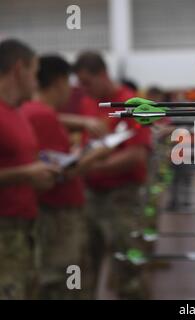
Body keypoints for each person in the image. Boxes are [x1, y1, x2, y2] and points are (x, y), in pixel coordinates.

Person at [21, 55, 107, 299]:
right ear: (59, 81)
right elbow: (60, 173)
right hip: (58, 214)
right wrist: (97, 154)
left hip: (52, 213)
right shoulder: (42, 114)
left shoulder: (36, 112)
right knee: (65, 281)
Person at [74, 51, 151, 299]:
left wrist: (93, 167)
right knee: (86, 260)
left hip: (122, 196)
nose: (84, 89)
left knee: (127, 260)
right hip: (91, 194)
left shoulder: (132, 104)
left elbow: (136, 155)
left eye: (87, 82)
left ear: (103, 75)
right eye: (81, 84)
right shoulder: (88, 104)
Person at [0, 39, 59, 299]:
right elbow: (20, 171)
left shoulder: (18, 113)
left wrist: (40, 174)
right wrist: (24, 175)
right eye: (34, 73)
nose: (37, 82)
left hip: (26, 232)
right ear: (18, 69)